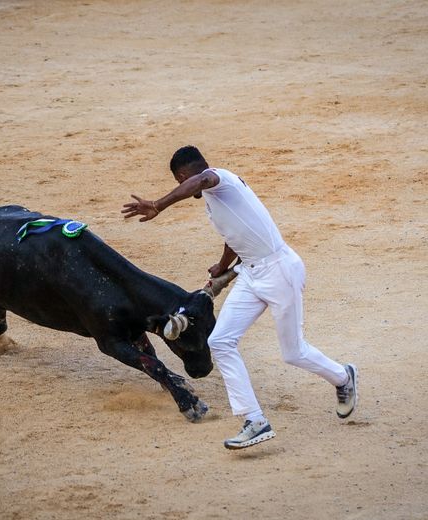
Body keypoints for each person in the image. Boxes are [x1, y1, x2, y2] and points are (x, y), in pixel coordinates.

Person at [122, 145, 358, 450]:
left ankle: (343, 378)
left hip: (279, 270)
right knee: (220, 342)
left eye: (182, 181)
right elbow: (234, 234)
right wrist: (223, 266)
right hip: (250, 273)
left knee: (293, 352)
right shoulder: (214, 197)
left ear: (182, 176)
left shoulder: (217, 179)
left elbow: (201, 179)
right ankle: (254, 420)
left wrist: (159, 204)